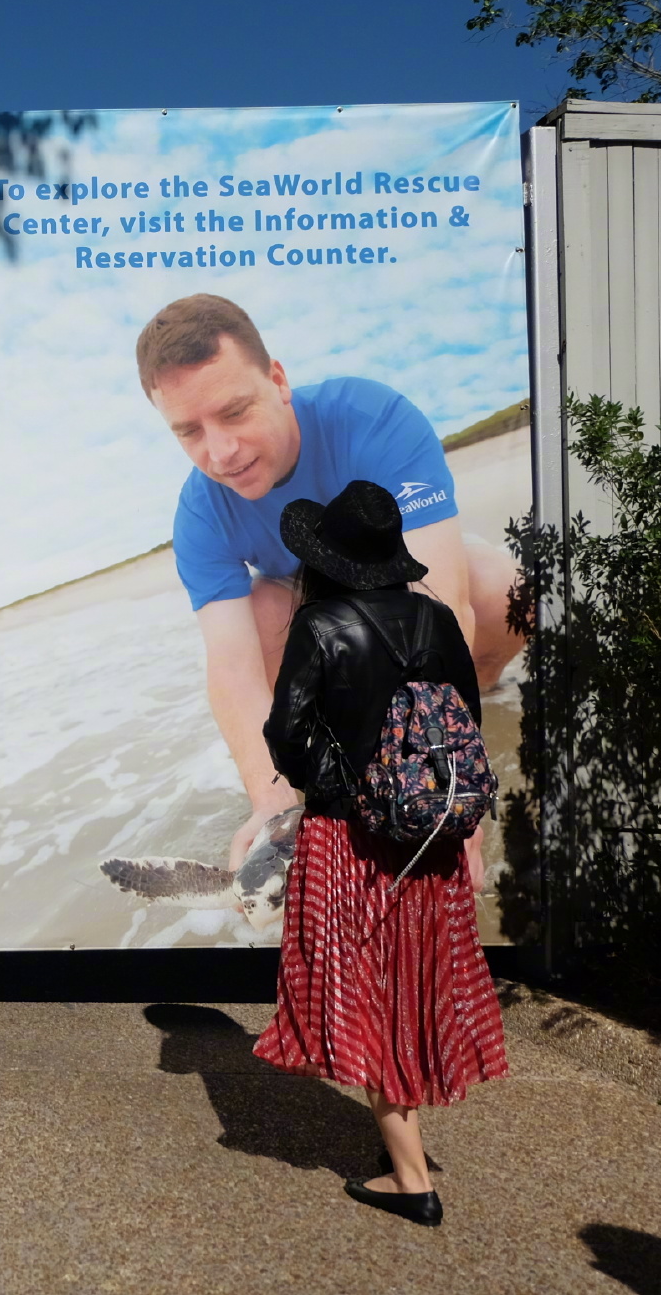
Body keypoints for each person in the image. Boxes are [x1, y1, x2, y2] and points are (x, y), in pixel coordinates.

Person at [136, 293, 525, 873]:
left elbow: (438, 601)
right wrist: (270, 802)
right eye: (189, 431)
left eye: (235, 411)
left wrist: (438, 772)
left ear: (277, 380)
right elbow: (233, 668)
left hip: (401, 581)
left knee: (503, 587)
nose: (221, 453)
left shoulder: (373, 418)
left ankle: (485, 692)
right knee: (263, 614)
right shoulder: (200, 513)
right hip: (316, 614)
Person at [253, 479, 510, 1227]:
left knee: (365, 987)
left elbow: (287, 732)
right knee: (414, 980)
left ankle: (411, 1178)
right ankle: (406, 1143)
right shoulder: (436, 618)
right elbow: (466, 720)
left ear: (327, 557)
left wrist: (337, 782)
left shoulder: (321, 623)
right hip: (429, 837)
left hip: (350, 838)